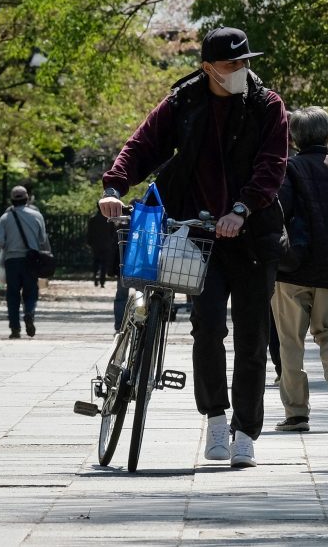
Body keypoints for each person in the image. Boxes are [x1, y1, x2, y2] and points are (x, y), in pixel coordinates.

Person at [98, 26, 287, 469]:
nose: (241, 70)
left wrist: (241, 208)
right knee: (206, 328)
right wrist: (113, 186)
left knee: (253, 334)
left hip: (253, 233)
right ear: (208, 69)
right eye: (231, 64)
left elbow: (272, 164)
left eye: (245, 62)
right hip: (198, 234)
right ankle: (216, 418)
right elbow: (143, 145)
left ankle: (245, 431)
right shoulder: (184, 101)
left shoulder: (267, 104)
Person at [271, 106, 328, 433]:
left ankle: (297, 413)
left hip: (291, 270)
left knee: (290, 342)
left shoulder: (288, 170)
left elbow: (277, 215)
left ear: (294, 137)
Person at [0, 185, 49, 339]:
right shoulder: (36, 215)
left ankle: (14, 328)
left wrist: (8, 246)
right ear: (27, 198)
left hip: (12, 260)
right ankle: (29, 313)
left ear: (11, 200)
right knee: (31, 292)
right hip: (31, 260)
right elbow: (42, 239)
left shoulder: (5, 217)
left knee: (12, 294)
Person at [86, 207, 117, 288]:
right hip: (106, 244)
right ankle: (102, 280)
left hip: (95, 245)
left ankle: (95, 275)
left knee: (96, 261)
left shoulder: (92, 219)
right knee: (104, 263)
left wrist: (89, 243)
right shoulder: (109, 220)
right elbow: (113, 233)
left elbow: (89, 233)